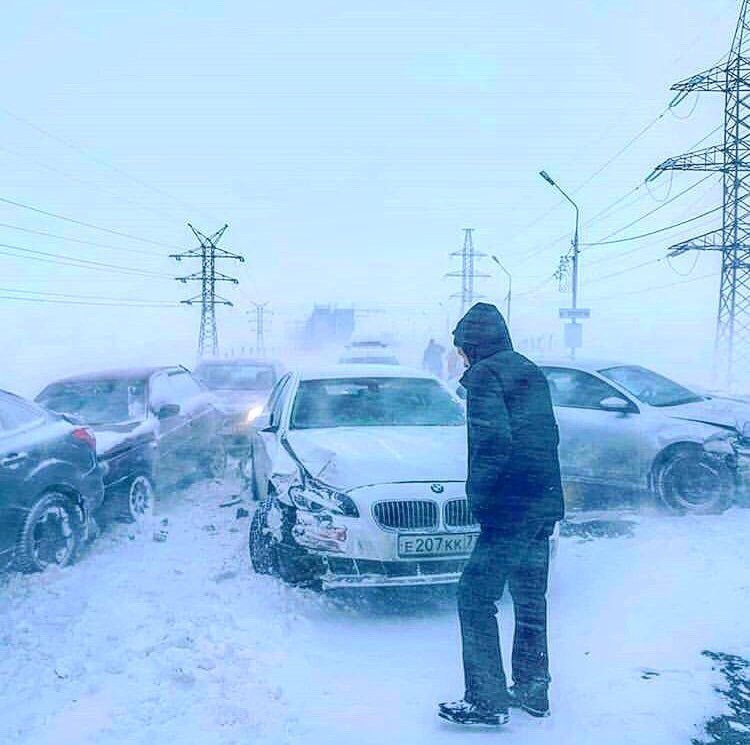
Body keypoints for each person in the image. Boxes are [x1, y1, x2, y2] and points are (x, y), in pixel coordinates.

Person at [438, 302, 564, 728]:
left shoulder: (486, 377)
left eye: (461, 349)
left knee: (474, 596)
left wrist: (480, 498)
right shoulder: (529, 369)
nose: (461, 358)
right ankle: (533, 688)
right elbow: (550, 436)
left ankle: (485, 698)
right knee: (530, 599)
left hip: (510, 507)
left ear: (473, 345)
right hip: (543, 501)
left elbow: (493, 442)